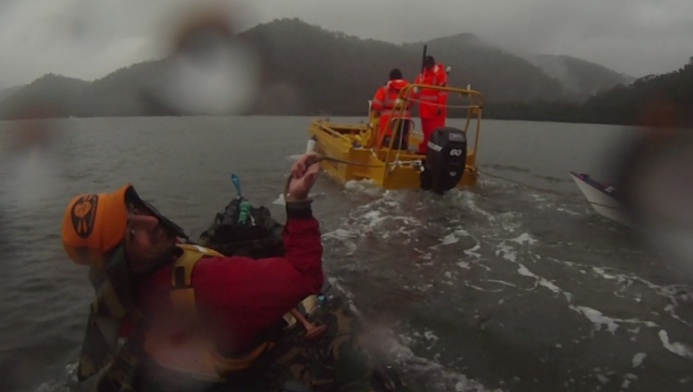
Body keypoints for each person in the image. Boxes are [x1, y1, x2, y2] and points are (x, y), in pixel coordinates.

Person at [61, 153, 392, 392]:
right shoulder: (212, 282)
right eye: (132, 234)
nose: (151, 221)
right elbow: (307, 276)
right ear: (119, 260)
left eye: (135, 211)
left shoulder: (120, 292)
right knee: (340, 319)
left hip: (189, 360)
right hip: (245, 364)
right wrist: (297, 201)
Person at [414, 55, 448, 154]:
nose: (427, 66)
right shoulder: (422, 75)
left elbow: (443, 92)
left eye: (429, 64)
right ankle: (424, 150)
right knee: (426, 133)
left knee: (435, 133)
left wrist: (440, 106)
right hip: (424, 110)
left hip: (435, 111)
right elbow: (415, 90)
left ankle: (435, 152)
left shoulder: (440, 74)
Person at [371, 68, 412, 149]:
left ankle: (382, 154)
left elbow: (376, 104)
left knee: (385, 141)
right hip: (405, 119)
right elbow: (412, 102)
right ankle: (403, 151)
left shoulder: (385, 89)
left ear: (390, 78)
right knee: (402, 138)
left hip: (388, 120)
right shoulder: (409, 89)